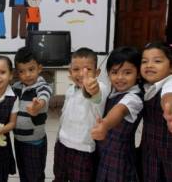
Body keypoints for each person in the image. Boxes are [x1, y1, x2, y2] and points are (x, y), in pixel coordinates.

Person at [53, 47, 108, 182]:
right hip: (62, 145)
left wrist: (91, 89)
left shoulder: (100, 87)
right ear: (70, 72)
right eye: (76, 69)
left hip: (83, 150)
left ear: (97, 72)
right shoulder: (71, 89)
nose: (81, 74)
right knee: (59, 177)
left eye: (88, 69)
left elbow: (94, 95)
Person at [91, 46, 143, 182]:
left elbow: (119, 110)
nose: (120, 78)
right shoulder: (113, 92)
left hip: (120, 158)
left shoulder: (134, 97)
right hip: (105, 154)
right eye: (114, 72)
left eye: (127, 72)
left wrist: (105, 124)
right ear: (108, 74)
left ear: (138, 74)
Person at [13, 47, 53, 182]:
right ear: (17, 73)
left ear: (39, 68)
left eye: (31, 69)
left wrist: (39, 105)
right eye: (22, 71)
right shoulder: (17, 86)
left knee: (35, 176)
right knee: (23, 173)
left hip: (35, 142)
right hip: (18, 141)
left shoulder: (41, 85)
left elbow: (45, 95)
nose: (27, 75)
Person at [140, 42, 172, 182]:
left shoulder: (169, 83)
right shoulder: (147, 87)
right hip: (149, 150)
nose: (149, 65)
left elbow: (168, 95)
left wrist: (169, 107)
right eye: (144, 61)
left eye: (157, 61)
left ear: (171, 67)